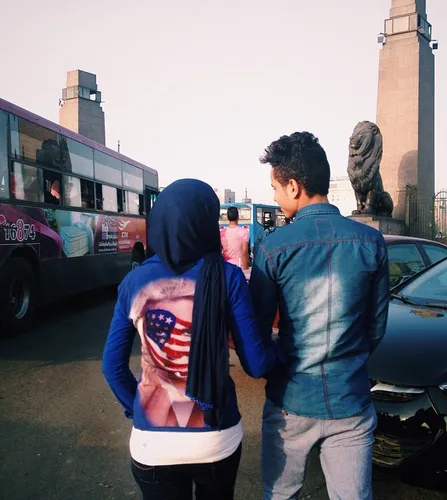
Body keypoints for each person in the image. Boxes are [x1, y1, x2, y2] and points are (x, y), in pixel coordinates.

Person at [102, 179, 283, 500]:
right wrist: (283, 351)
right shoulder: (227, 277)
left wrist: (139, 409)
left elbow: (112, 366)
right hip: (214, 437)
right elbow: (256, 364)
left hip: (152, 445)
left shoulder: (133, 282)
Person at [249, 132, 390, 500]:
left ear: (294, 186)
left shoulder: (273, 247)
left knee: (281, 495)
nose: (276, 198)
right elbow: (375, 329)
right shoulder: (370, 241)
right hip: (351, 403)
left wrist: (279, 358)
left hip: (290, 402)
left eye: (276, 188)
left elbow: (258, 334)